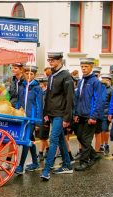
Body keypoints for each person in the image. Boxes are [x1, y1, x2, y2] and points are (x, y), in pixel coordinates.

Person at [40, 52, 74, 181]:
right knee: (60, 139)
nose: (50, 62)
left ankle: (46, 169)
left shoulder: (66, 76)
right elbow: (48, 96)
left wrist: (67, 118)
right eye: (49, 60)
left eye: (53, 60)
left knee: (53, 139)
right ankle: (67, 165)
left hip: (61, 113)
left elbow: (69, 98)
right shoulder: (52, 74)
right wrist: (46, 113)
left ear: (60, 60)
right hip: (52, 112)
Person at [73, 58, 105, 171]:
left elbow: (98, 100)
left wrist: (93, 116)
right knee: (80, 136)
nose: (83, 68)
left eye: (86, 66)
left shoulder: (95, 82)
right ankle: (95, 156)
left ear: (91, 67)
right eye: (82, 66)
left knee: (86, 139)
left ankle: (84, 161)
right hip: (80, 114)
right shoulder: (81, 81)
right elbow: (77, 98)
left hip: (90, 116)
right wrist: (76, 113)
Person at [14, 64, 43, 174]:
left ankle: (21, 166)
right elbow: (18, 101)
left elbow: (39, 105)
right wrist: (16, 112)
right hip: (22, 118)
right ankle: (35, 163)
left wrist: (37, 121)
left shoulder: (37, 88)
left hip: (31, 119)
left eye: (31, 74)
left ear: (34, 75)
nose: (29, 75)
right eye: (27, 73)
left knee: (26, 141)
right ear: (24, 74)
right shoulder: (21, 86)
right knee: (30, 140)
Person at [99, 73, 113, 155]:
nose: (105, 81)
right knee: (100, 130)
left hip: (106, 113)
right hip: (99, 113)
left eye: (107, 80)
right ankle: (101, 145)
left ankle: (106, 144)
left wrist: (111, 114)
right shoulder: (99, 88)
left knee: (105, 129)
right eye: (104, 79)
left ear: (110, 81)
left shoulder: (112, 90)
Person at [36, 75, 50, 162]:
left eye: (40, 84)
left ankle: (40, 153)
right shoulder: (39, 93)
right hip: (39, 116)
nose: (39, 85)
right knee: (41, 135)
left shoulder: (48, 93)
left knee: (42, 136)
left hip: (45, 117)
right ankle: (48, 149)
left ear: (43, 84)